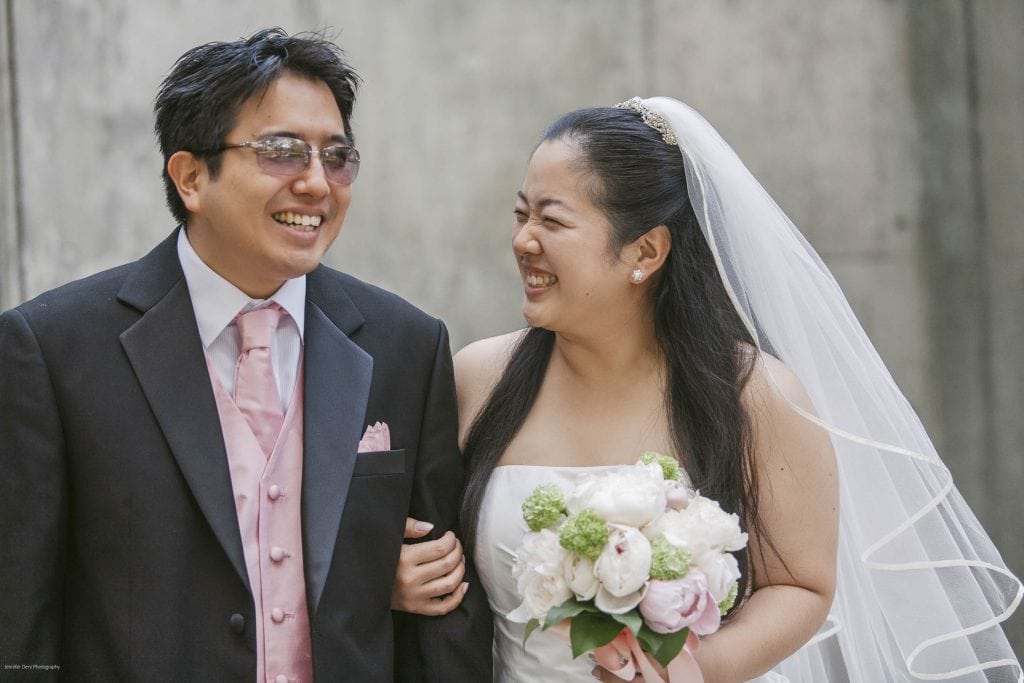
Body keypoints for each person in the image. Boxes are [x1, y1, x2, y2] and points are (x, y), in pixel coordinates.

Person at [395, 98, 1022, 681]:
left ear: (645, 250)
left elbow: (800, 584)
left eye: (552, 220)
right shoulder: (480, 376)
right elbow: (416, 538)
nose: (523, 240)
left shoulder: (755, 395)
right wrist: (396, 578)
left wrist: (689, 671)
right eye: (521, 213)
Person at [0, 27, 491, 681]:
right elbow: (20, 624)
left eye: (337, 157)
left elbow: (440, 613)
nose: (318, 183)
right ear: (192, 176)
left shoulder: (406, 344)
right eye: (283, 153)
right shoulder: (52, 350)